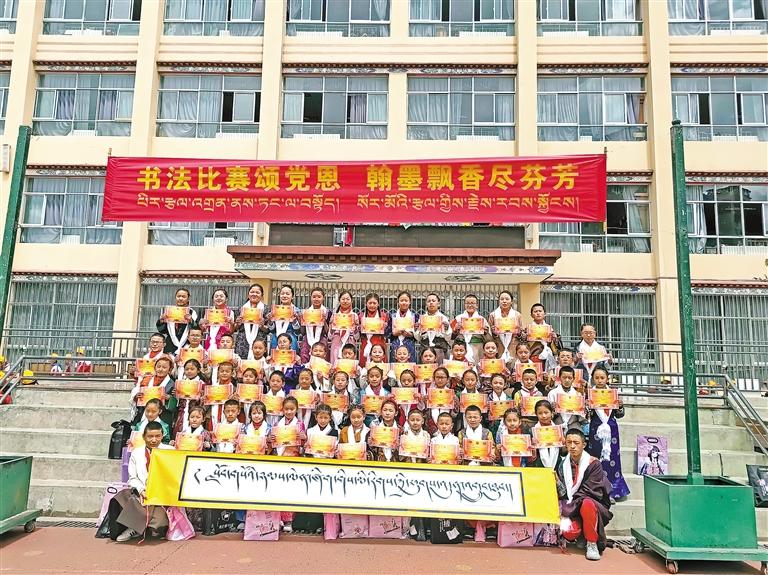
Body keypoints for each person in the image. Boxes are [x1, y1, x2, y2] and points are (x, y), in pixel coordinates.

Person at [556, 428, 614, 561]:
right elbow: (563, 493)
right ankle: (581, 535)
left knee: (587, 503)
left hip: (591, 505)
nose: (572, 446)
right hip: (572, 506)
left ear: (584, 444)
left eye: (576, 443)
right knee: (569, 532)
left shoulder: (593, 464)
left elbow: (590, 492)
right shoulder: (562, 465)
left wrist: (568, 509)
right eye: (569, 442)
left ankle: (592, 543)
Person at [110, 421, 172, 542]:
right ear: (144, 436)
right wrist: (141, 489)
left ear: (162, 436)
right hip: (142, 491)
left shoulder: (170, 451)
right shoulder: (137, 453)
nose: (154, 440)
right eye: (150, 436)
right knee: (120, 498)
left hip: (163, 495)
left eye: (157, 436)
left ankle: (137, 527)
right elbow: (132, 478)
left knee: (158, 526)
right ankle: (133, 528)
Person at [587, 367, 630, 501]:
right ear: (593, 379)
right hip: (596, 429)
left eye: (602, 378)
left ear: (607, 378)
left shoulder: (613, 393)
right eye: (597, 378)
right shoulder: (590, 394)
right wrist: (587, 406)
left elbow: (619, 414)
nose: (599, 380)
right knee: (596, 459)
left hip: (611, 429)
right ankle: (597, 491)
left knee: (612, 458)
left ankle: (613, 491)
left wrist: (620, 406)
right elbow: (586, 416)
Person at [156, 288, 198, 354]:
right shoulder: (169, 311)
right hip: (170, 344)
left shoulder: (192, 313)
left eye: (183, 296)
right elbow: (162, 331)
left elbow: (197, 330)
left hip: (187, 344)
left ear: (188, 299)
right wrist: (161, 321)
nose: (180, 298)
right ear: (175, 297)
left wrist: (191, 321)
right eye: (178, 296)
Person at [547, 365, 588, 433]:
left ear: (573, 379)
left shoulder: (578, 395)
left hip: (573, 423)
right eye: (564, 377)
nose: (567, 380)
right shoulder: (553, 393)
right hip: (557, 422)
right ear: (559, 378)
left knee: (578, 437)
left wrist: (583, 409)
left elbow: (582, 414)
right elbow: (548, 412)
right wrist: (552, 409)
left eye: (570, 378)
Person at [452, 294, 489, 364]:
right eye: (467, 303)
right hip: (461, 349)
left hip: (477, 347)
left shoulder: (482, 320)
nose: (470, 305)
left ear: (477, 305)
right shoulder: (457, 318)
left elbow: (489, 339)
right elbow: (449, 336)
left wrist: (485, 332)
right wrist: (455, 330)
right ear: (464, 305)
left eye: (472, 303)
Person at [234, 283, 268, 359]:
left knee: (258, 364)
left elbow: (268, 330)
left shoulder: (266, 309)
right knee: (241, 363)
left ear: (262, 295)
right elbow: (235, 328)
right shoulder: (241, 309)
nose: (254, 294)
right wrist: (238, 323)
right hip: (242, 342)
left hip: (259, 342)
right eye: (252, 292)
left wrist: (262, 326)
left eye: (257, 292)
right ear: (248, 294)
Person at [172, 358, 205, 437]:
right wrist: (175, 394)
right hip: (181, 413)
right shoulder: (180, 384)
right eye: (187, 369)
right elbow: (177, 402)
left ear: (198, 370)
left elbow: (205, 403)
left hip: (195, 413)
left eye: (192, 369)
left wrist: (201, 398)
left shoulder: (202, 384)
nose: (189, 371)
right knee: (179, 434)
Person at [488, 290, 522, 363]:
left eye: (507, 299)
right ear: (499, 301)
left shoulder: (517, 315)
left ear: (511, 301)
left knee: (513, 367)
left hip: (513, 347)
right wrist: (494, 333)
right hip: (499, 347)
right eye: (502, 299)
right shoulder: (493, 315)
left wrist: (519, 333)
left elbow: (522, 335)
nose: (504, 301)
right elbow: (489, 335)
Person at [265, 284, 301, 353]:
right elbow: (272, 330)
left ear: (292, 297)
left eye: (287, 294)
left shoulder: (296, 311)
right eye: (282, 293)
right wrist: (270, 322)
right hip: (276, 340)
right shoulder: (275, 310)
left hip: (290, 340)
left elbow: (298, 332)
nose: (284, 296)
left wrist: (294, 321)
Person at [418, 293, 452, 363]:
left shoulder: (444, 318)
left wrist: (446, 329)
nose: (431, 303)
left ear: (438, 304)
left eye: (433, 301)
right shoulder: (422, 318)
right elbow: (418, 338)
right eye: (429, 301)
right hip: (425, 349)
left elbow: (448, 338)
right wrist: (416, 330)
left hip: (439, 349)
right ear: (426, 304)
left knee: (440, 369)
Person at [358, 292, 390, 366]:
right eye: (370, 303)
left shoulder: (384, 316)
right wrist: (359, 328)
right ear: (366, 304)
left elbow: (388, 335)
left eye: (374, 303)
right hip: (365, 343)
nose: (372, 305)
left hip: (379, 345)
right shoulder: (361, 316)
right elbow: (358, 335)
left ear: (378, 304)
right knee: (364, 366)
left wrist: (385, 328)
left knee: (380, 367)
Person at [199, 288, 235, 352]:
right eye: (216, 296)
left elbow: (231, 332)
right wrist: (201, 325)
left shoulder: (230, 312)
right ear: (213, 299)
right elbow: (203, 329)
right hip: (210, 342)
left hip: (223, 344)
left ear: (226, 299)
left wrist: (231, 323)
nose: (218, 298)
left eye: (221, 296)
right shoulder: (209, 313)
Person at [299, 287, 329, 363]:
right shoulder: (306, 312)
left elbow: (328, 332)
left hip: (321, 339)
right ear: (311, 298)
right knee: (305, 359)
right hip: (307, 339)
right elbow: (302, 332)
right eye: (314, 297)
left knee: (321, 361)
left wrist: (324, 321)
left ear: (323, 298)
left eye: (319, 297)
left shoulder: (327, 312)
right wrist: (301, 320)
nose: (316, 299)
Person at [328, 290, 360, 361]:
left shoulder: (354, 316)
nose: (345, 301)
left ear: (351, 301)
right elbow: (329, 336)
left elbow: (357, 337)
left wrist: (356, 326)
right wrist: (332, 325)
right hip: (336, 343)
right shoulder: (334, 316)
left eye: (348, 299)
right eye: (343, 299)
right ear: (339, 300)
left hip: (350, 343)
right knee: (335, 364)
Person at [388, 291, 419, 363]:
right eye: (401, 300)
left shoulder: (415, 316)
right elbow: (387, 333)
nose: (404, 303)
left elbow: (419, 334)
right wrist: (393, 334)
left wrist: (412, 335)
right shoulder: (392, 316)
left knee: (409, 366)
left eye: (406, 300)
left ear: (410, 302)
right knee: (395, 366)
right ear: (398, 302)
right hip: (396, 344)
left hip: (409, 345)